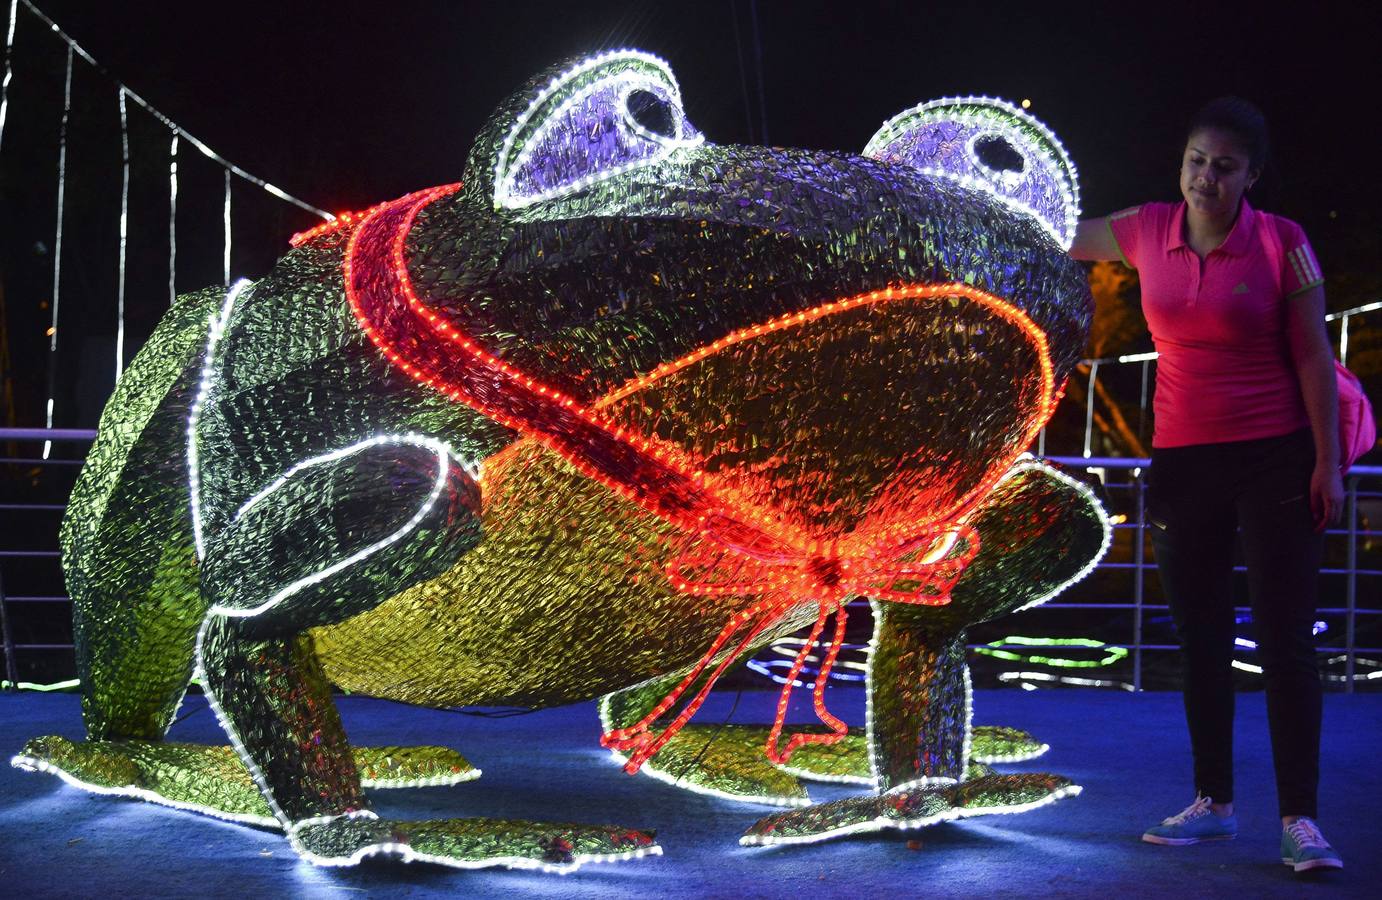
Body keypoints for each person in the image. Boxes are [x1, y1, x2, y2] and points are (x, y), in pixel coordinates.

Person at [1069, 96, 1344, 873]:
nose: (1205, 178)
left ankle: (1303, 822)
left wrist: (1328, 462)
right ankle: (1214, 803)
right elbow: (1056, 230)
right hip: (1184, 462)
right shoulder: (1147, 228)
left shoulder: (1283, 244)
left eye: (1224, 166)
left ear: (1252, 174)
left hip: (1275, 457)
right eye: (1196, 160)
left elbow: (1314, 359)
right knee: (1201, 642)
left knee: (1286, 643)